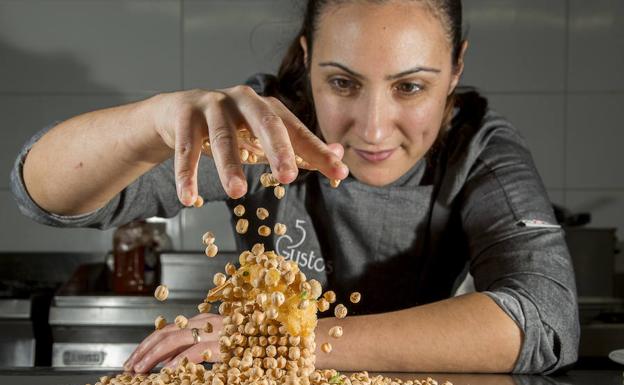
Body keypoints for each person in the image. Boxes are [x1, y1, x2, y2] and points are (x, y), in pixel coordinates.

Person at [10, 0, 579, 375]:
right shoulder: (262, 130)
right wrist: (150, 121)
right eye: (341, 82)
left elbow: (546, 318)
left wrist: (285, 340)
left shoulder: (479, 149)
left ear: (455, 69)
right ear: (306, 62)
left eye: (410, 87)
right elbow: (43, 196)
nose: (374, 128)